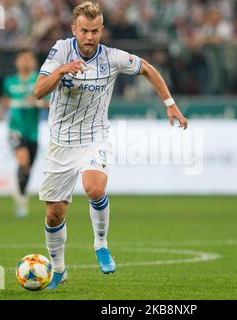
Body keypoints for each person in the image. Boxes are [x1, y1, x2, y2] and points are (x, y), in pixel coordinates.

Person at [34, 1, 188, 289]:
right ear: (73, 29)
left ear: (101, 29)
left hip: (95, 137)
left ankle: (101, 244)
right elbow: (39, 91)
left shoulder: (113, 58)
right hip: (60, 142)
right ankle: (58, 270)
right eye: (84, 31)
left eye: (94, 31)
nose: (89, 37)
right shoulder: (60, 50)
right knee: (54, 213)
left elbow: (147, 69)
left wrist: (170, 105)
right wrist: (61, 71)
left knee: (95, 187)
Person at [0, 50, 49, 218]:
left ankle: (21, 194)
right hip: (15, 129)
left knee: (27, 168)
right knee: (23, 160)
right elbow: (6, 99)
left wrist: (37, 103)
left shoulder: (40, 80)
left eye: (29, 59)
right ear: (17, 62)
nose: (26, 62)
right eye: (22, 59)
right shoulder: (10, 81)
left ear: (34, 63)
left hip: (33, 132)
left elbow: (50, 103)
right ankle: (21, 197)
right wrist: (1, 112)